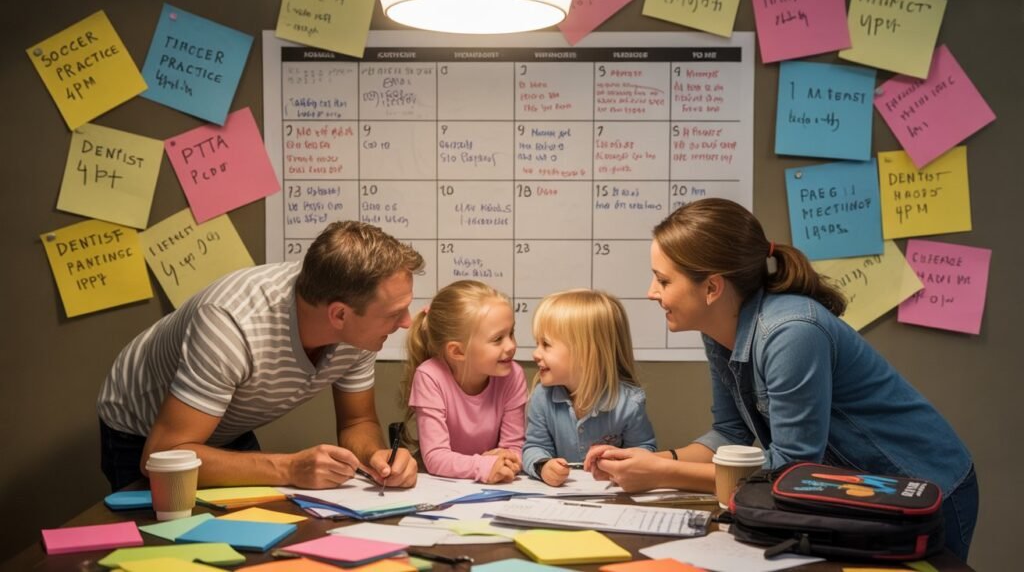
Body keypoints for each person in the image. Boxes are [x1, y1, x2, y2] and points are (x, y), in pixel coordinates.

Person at [583, 198, 978, 560]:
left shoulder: (792, 331)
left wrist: (661, 474)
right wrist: (652, 460)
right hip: (856, 495)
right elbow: (728, 435)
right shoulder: (720, 330)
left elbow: (794, 467)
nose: (652, 292)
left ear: (712, 287)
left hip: (922, 488)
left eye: (664, 280)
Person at [97, 221, 424, 492]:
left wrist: (377, 457)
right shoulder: (230, 325)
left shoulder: (358, 328)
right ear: (339, 315)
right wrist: (291, 467)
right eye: (393, 314)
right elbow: (162, 456)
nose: (406, 322)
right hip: (144, 429)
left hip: (224, 425)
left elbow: (358, 421)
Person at [523, 289, 657, 487]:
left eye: (546, 344)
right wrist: (543, 465)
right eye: (537, 343)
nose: (535, 353)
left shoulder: (629, 403)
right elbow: (533, 446)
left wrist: (621, 462)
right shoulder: (542, 398)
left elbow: (646, 451)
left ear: (585, 352)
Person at [399, 280, 526, 484]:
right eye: (497, 339)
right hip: (442, 486)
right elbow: (435, 457)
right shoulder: (429, 376)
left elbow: (514, 446)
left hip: (494, 485)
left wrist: (509, 460)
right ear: (458, 351)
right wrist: (483, 466)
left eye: (511, 333)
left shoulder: (513, 374)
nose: (511, 346)